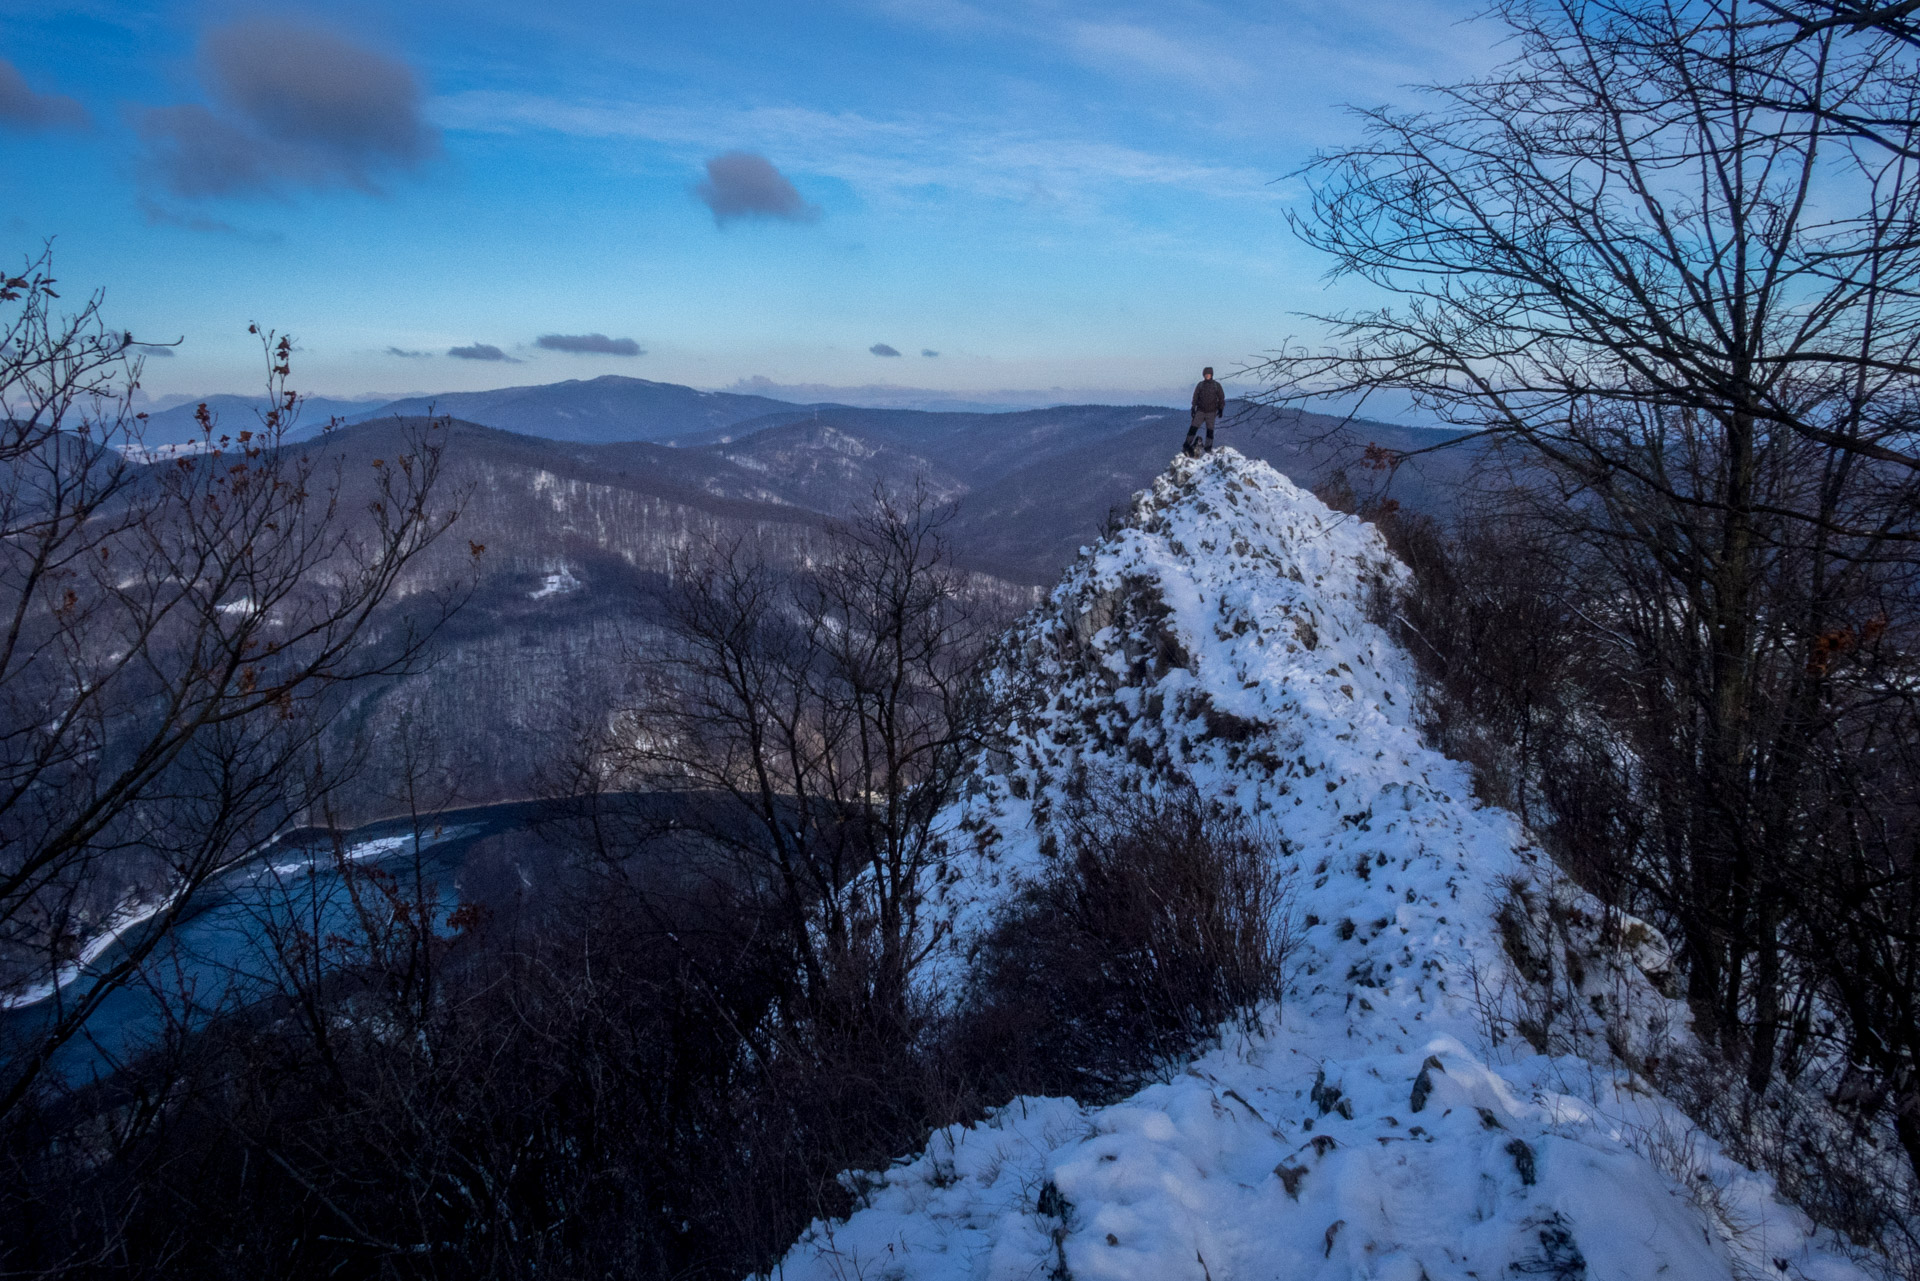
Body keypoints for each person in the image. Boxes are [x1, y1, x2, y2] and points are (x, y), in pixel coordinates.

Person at [1184, 367, 1225, 457]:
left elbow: (1221, 397)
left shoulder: (1216, 385)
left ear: (1212, 375)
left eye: (1209, 374)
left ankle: (1208, 447)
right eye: (1206, 374)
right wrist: (1193, 407)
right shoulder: (1200, 385)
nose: (1207, 376)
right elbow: (1195, 396)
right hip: (1200, 411)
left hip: (1211, 412)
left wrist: (1221, 409)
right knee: (1193, 428)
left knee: (1210, 431)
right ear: (1203, 375)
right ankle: (1186, 445)